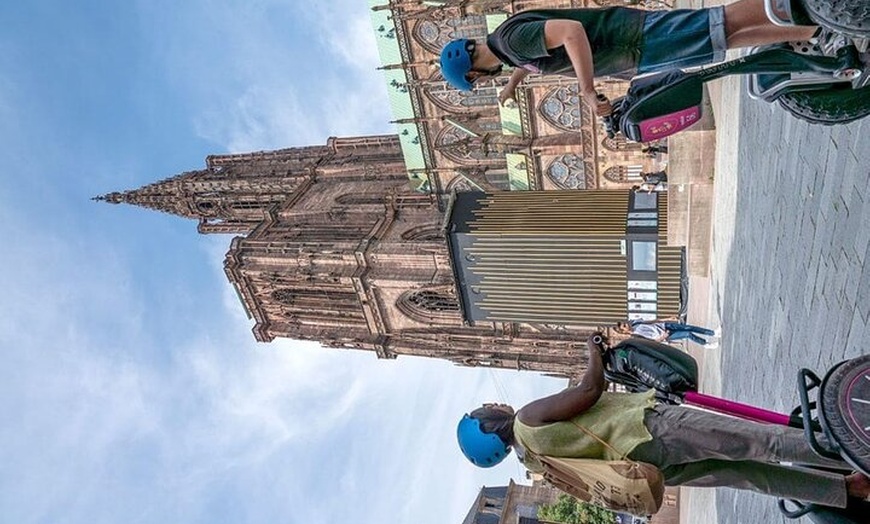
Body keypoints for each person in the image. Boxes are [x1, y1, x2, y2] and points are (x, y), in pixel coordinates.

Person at [456, 334, 870, 510]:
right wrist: (593, 350)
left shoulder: (533, 460)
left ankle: (847, 488)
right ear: (490, 428)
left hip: (654, 471)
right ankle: (855, 450)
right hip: (651, 432)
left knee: (749, 475)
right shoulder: (527, 421)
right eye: (483, 412)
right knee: (759, 442)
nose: (490, 405)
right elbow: (588, 391)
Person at [439, 0, 818, 116]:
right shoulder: (510, 49)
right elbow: (528, 63)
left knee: (723, 20)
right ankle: (813, 30)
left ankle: (807, 6)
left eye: (479, 79)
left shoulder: (512, 41)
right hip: (635, 51)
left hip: (634, 38)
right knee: (727, 38)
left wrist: (588, 91)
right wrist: (510, 85)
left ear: (472, 70)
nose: (484, 80)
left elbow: (570, 32)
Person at [616, 317, 718, 347]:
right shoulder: (635, 337)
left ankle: (713, 333)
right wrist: (663, 336)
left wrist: (668, 318)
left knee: (689, 327)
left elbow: (652, 321)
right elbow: (652, 342)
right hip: (666, 335)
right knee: (688, 334)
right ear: (624, 332)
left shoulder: (635, 323)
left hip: (664, 325)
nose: (627, 325)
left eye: (625, 323)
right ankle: (706, 344)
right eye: (625, 326)